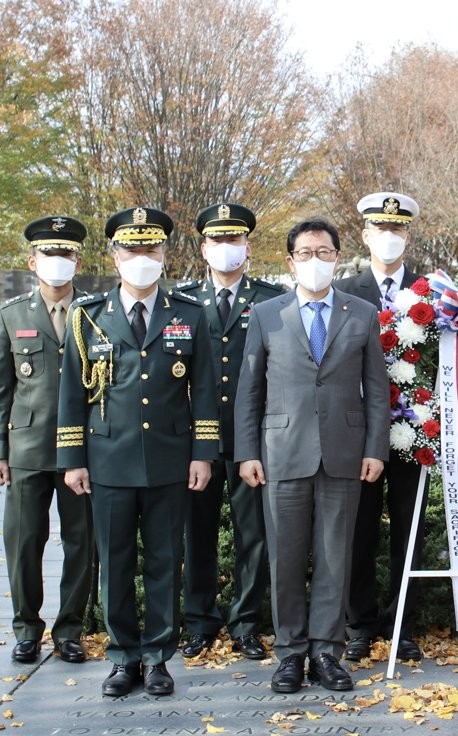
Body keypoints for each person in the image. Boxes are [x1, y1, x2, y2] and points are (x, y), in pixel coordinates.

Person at [58, 207, 219, 697]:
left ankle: (158, 659)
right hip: (108, 461)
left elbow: (206, 388)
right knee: (117, 563)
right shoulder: (87, 315)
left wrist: (203, 453)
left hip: (170, 461)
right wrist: (72, 459)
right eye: (132, 249)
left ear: (165, 254)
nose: (142, 258)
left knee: (166, 563)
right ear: (115, 255)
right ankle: (123, 656)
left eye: (151, 248)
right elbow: (71, 392)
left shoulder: (189, 313)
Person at [234, 219, 389, 694]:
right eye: (305, 253)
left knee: (334, 557)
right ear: (290, 262)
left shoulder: (361, 313)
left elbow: (378, 391)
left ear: (338, 258)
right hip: (281, 453)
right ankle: (289, 653)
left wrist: (375, 449)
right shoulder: (267, 315)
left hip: (344, 453)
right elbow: (249, 391)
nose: (315, 261)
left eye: (324, 252)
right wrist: (246, 452)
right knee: (284, 557)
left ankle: (327, 651)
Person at [177, 203, 285, 661]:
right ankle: (199, 621)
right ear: (204, 248)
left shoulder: (270, 301)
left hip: (251, 440)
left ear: (248, 246)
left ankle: (244, 623)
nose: (226, 249)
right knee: (195, 534)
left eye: (234, 240)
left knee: (252, 534)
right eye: (217, 241)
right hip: (195, 442)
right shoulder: (181, 302)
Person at [0, 216, 94, 665]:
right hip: (28, 450)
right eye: (49, 253)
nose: (58, 261)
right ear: (32, 261)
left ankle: (70, 629)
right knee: (24, 542)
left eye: (66, 253)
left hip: (83, 452)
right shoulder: (11, 315)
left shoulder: (95, 312)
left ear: (78, 260)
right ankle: (26, 627)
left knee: (81, 544)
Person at [333, 192, 426, 662]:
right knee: (358, 528)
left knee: (410, 529)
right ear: (365, 235)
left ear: (408, 235)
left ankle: (403, 624)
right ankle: (359, 623)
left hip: (416, 431)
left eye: (398, 229)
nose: (389, 237)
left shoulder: (433, 292)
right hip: (356, 431)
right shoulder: (344, 292)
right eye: (380, 230)